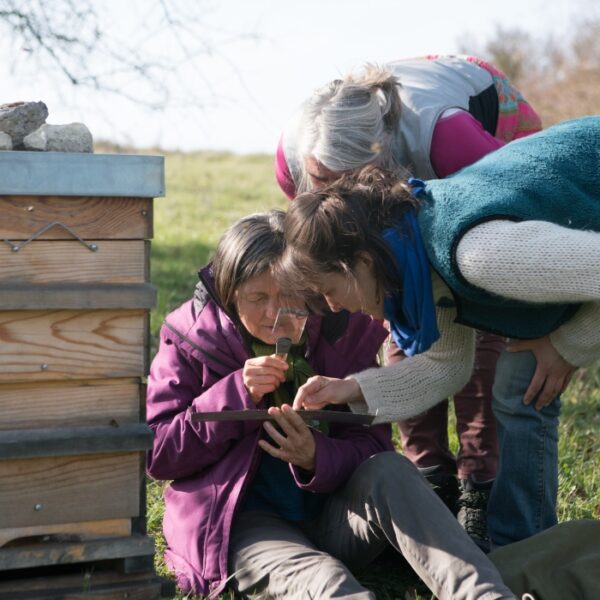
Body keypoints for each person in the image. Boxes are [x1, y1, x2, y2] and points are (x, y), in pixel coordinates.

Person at [145, 210, 519, 600]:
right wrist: (233, 394)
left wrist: (314, 457)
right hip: (243, 524)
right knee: (324, 582)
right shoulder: (190, 339)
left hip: (336, 516)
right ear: (229, 293)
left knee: (391, 469)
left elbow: (373, 446)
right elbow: (158, 454)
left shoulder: (343, 332)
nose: (275, 314)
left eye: (291, 296)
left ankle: (485, 595)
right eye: (258, 298)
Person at [277, 116, 600, 549]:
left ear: (361, 262)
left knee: (523, 378)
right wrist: (350, 390)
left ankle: (521, 554)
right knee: (519, 380)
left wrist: (568, 345)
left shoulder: (477, 255)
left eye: (330, 291)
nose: (333, 307)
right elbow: (446, 367)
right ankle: (521, 556)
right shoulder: (415, 256)